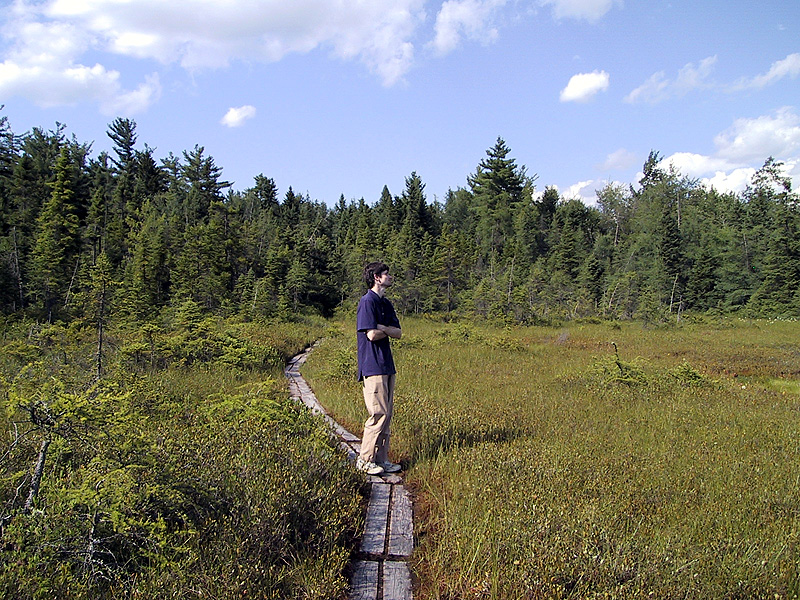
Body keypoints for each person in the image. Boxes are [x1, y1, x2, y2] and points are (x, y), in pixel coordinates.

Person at [355, 261, 402, 476]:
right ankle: (365, 460)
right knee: (377, 413)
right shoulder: (367, 302)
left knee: (387, 414)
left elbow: (399, 332)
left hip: (387, 365)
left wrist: (382, 327)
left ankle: (382, 459)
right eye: (386, 274)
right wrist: (385, 329)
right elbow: (371, 335)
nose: (389, 277)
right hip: (372, 365)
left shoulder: (386, 304)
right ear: (376, 277)